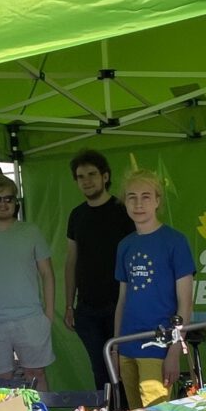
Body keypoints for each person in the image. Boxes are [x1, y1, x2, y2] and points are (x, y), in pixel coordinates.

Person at [0, 172, 55, 391]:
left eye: (8, 198)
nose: (3, 203)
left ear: (16, 202)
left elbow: (48, 274)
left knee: (37, 375)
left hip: (30, 319)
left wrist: (48, 316)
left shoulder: (31, 232)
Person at [114, 169, 195, 409]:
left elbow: (186, 302)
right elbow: (122, 300)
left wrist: (174, 350)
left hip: (158, 346)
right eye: (132, 197)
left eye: (146, 196)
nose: (138, 203)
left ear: (158, 200)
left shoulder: (175, 241)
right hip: (127, 343)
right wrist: (116, 346)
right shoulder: (125, 245)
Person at [64, 149, 134, 389]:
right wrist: (68, 305)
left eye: (92, 174)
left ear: (105, 176)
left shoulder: (124, 210)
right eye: (81, 176)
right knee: (101, 371)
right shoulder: (76, 216)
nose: (87, 180)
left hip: (121, 306)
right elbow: (71, 261)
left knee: (124, 368)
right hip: (87, 310)